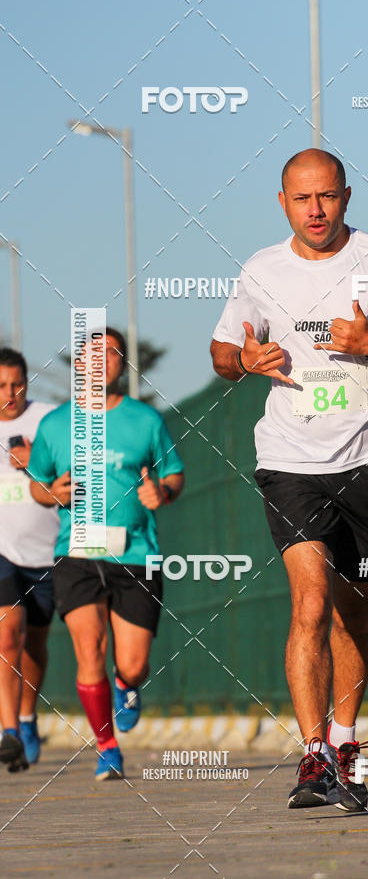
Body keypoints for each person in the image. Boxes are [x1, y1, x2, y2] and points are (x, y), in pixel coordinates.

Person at [210, 149, 368, 811]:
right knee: (310, 601)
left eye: (327, 197)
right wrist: (245, 360)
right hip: (290, 461)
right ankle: (313, 757)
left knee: (355, 612)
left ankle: (344, 744)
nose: (315, 210)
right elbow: (222, 351)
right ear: (282, 202)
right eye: (301, 199)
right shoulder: (261, 270)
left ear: (345, 197)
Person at [28, 328, 184, 780]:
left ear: (122, 364)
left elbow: (173, 473)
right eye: (93, 354)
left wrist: (163, 492)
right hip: (75, 552)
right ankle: (107, 744)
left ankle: (125, 685)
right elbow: (38, 483)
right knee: (89, 647)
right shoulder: (55, 424)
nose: (102, 361)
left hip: (136, 552)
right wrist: (50, 492)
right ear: (79, 365)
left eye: (113, 353)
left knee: (132, 663)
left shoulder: (145, 421)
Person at [0, 348, 59, 771]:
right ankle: (9, 732)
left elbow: (75, 471)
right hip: (3, 551)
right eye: (1, 386)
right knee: (8, 636)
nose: (10, 393)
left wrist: (34, 463)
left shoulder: (50, 421)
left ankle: (27, 715)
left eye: (16, 384)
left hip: (48, 552)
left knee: (36, 644)